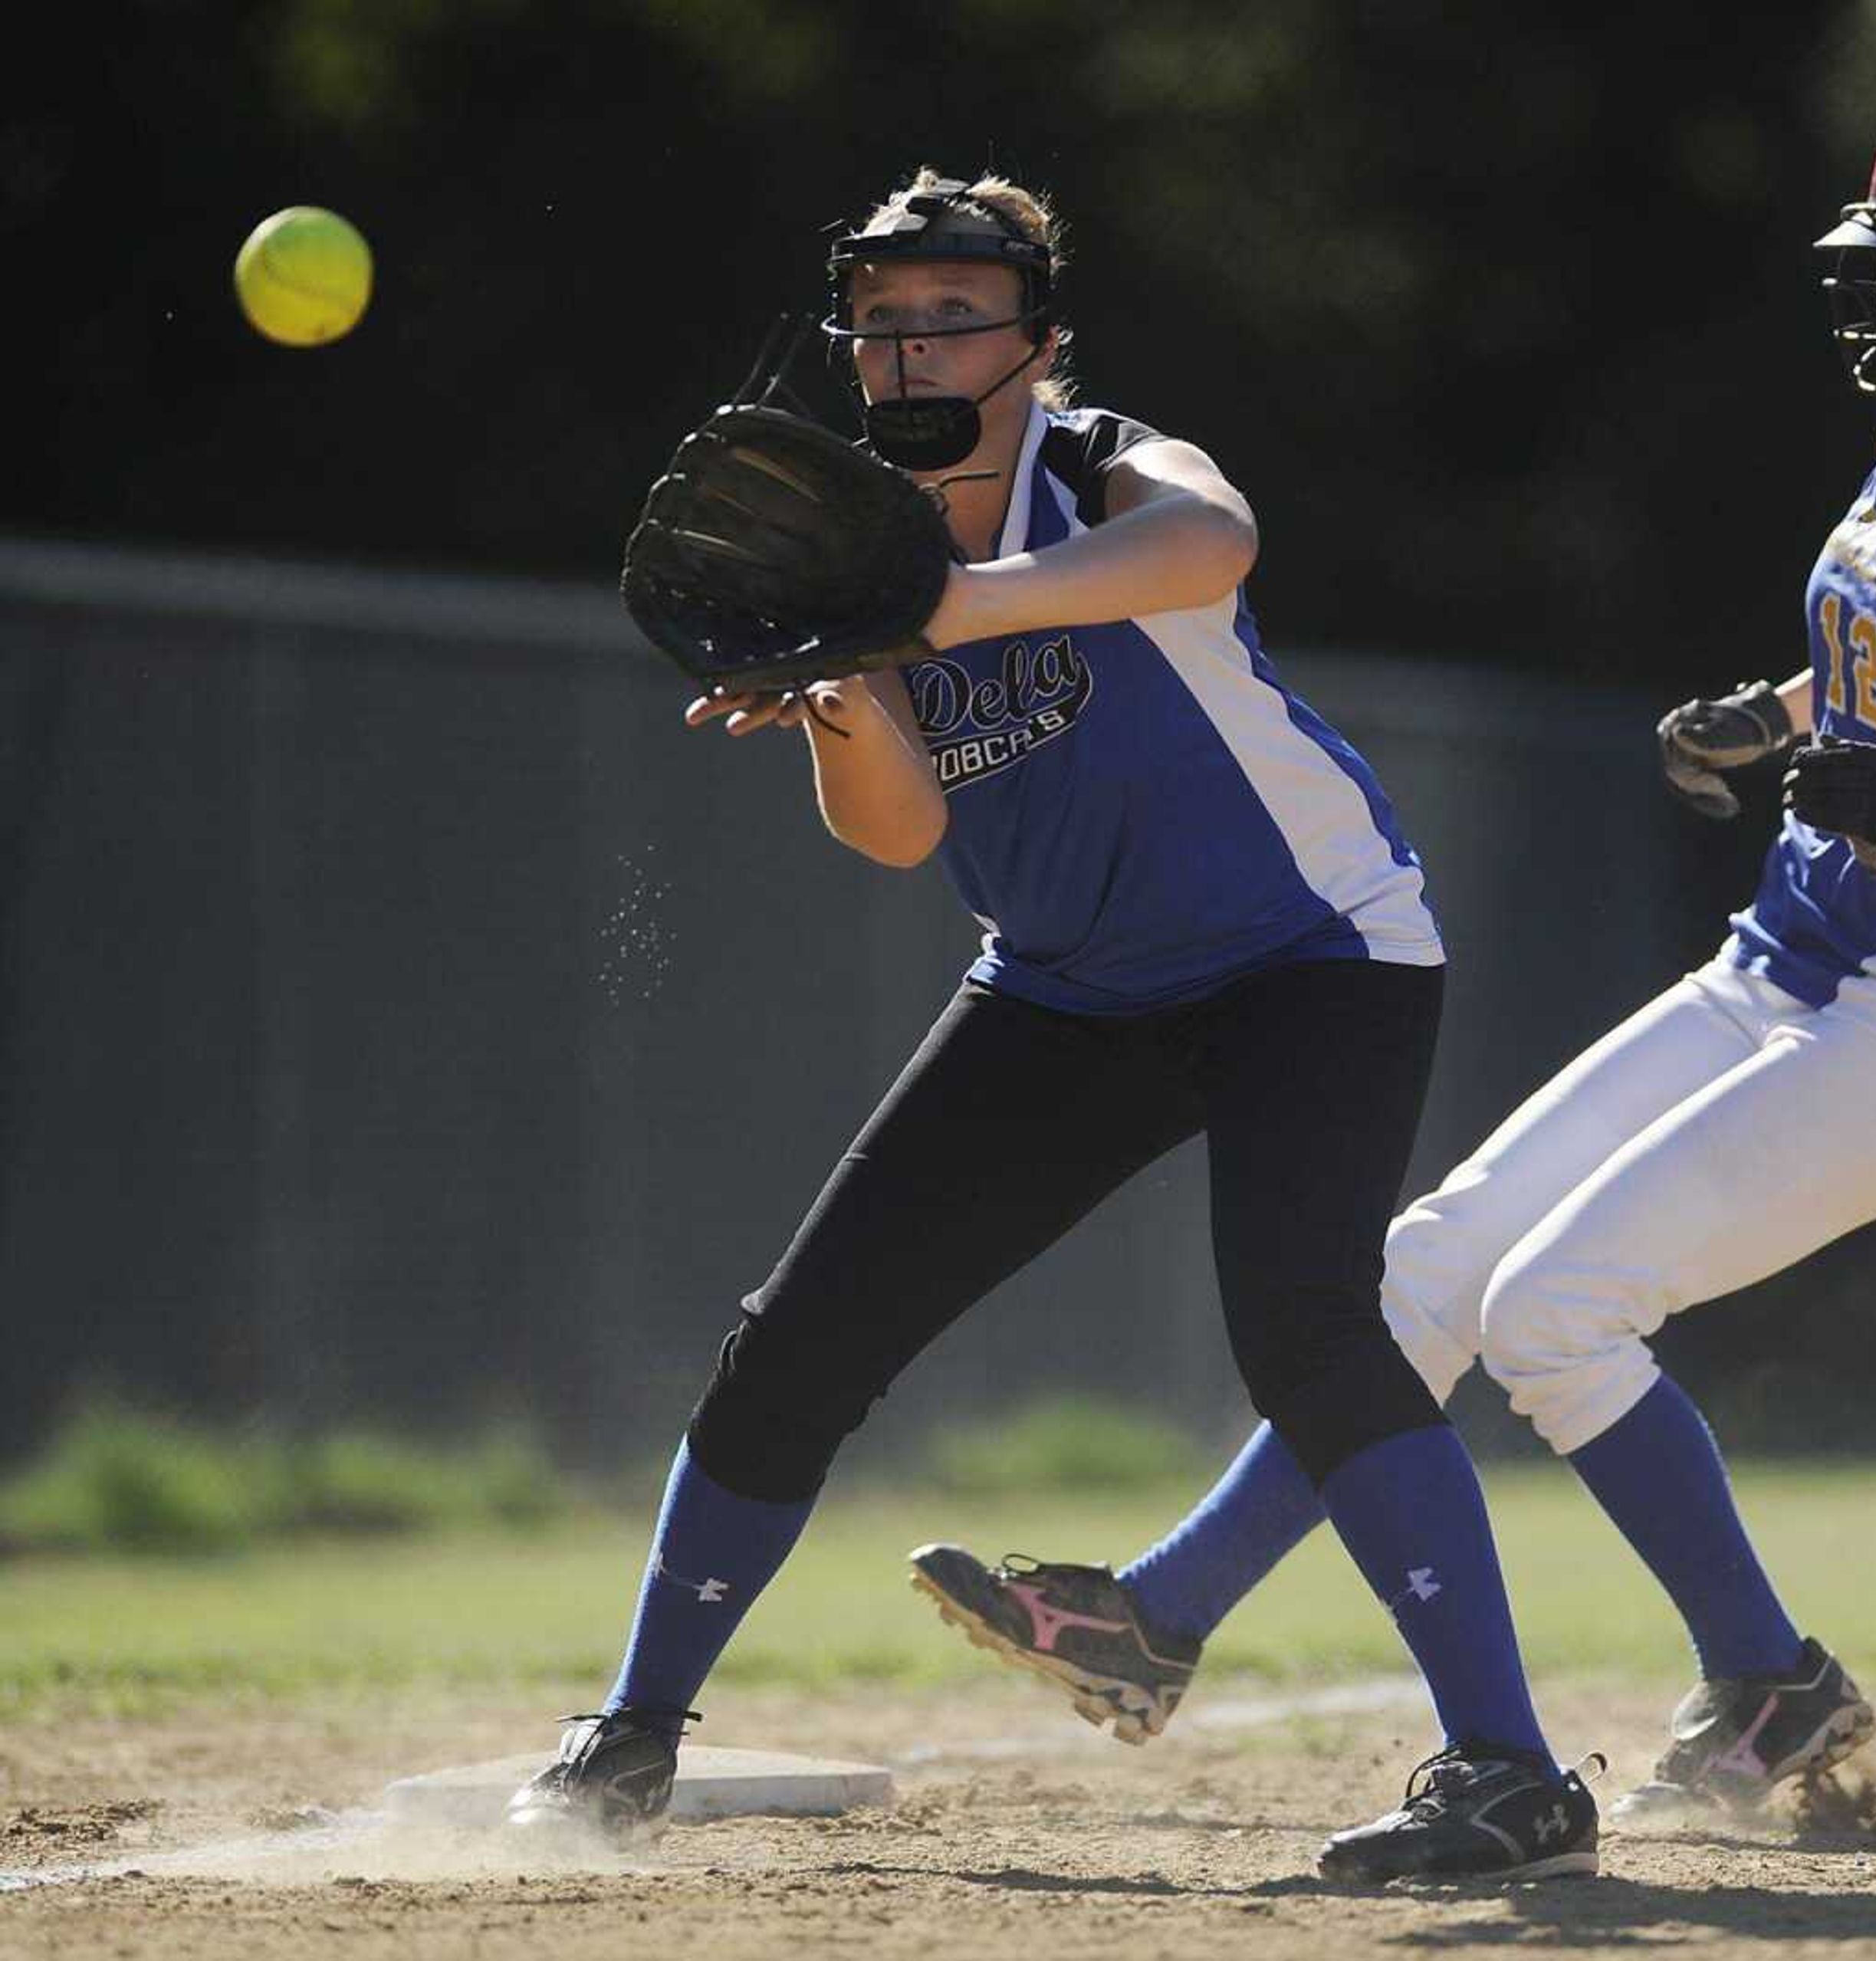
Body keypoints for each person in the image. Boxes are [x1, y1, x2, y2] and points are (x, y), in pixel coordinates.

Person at [908, 86, 1876, 1819]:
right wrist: (1778, 707)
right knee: (1426, 1271)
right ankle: (1156, 1619)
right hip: (1777, 967)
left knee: (1556, 1314)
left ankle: (1771, 1681)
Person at [505, 169, 1599, 1885]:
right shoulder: (847, 549)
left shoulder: (1096, 466)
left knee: (1308, 1331)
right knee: (805, 1332)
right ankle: (632, 1730)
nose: (913, 341)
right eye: (883, 318)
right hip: (1068, 987)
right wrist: (832, 695)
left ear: (1040, 339)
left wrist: (941, 608)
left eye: (956, 310)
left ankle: (1511, 1772)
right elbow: (901, 833)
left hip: (1312, 952)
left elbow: (1215, 541)